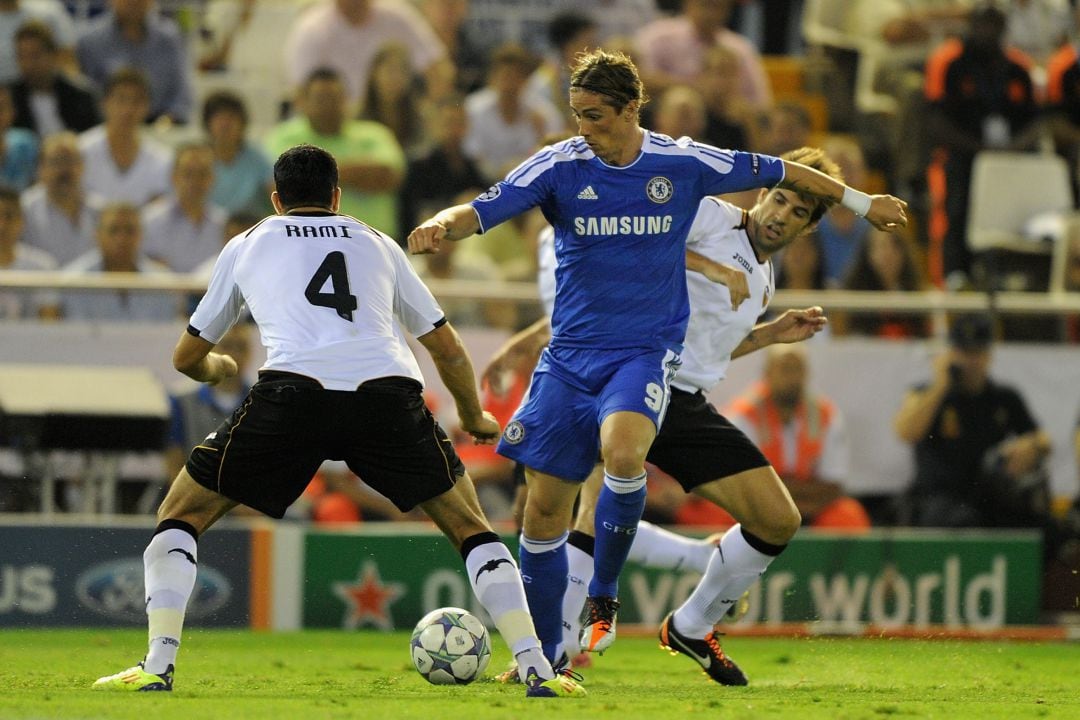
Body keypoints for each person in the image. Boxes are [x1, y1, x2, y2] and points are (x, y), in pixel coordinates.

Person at [408, 48, 908, 665]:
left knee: (763, 515)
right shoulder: (699, 205)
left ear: (629, 109)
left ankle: (669, 621)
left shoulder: (751, 262)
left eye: (594, 116)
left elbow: (713, 339)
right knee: (554, 506)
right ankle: (551, 650)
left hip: (669, 383)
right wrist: (442, 226)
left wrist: (769, 333)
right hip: (598, 361)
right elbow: (518, 217)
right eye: (577, 115)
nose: (583, 129)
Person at [91, 144, 584, 699]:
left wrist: (219, 366)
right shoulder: (378, 242)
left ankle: (158, 664)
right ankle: (537, 665)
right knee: (470, 526)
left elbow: (185, 357)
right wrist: (474, 415)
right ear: (337, 197)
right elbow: (445, 347)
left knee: (180, 514)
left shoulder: (249, 242)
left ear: (276, 200)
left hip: (292, 395)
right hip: (387, 395)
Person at [486, 145, 854, 684]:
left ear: (811, 226)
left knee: (778, 519)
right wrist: (712, 267)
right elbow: (635, 242)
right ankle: (548, 656)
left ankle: (691, 625)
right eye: (780, 199)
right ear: (762, 193)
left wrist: (772, 334)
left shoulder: (766, 278)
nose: (781, 216)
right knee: (569, 508)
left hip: (683, 402)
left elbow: (710, 350)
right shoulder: (711, 215)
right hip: (629, 372)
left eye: (799, 213)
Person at [893, 313, 1072, 558]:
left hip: (989, 495)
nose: (970, 361)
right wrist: (940, 386)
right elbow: (905, 431)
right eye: (963, 352)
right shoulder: (927, 394)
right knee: (963, 523)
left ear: (988, 355)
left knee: (1048, 529)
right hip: (939, 497)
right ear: (951, 353)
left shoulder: (1003, 397)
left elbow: (1042, 438)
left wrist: (1030, 447)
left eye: (976, 352)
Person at [725, 345, 871, 531]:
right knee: (715, 514)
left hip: (813, 507)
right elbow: (745, 487)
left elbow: (833, 486)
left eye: (798, 369)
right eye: (785, 368)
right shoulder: (743, 417)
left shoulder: (825, 415)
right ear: (767, 373)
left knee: (848, 515)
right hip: (756, 507)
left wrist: (794, 508)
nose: (792, 377)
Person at [265, 67, 406, 239]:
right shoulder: (282, 137)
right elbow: (275, 185)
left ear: (346, 99)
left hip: (375, 242)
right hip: (302, 242)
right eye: (321, 99)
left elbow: (389, 176)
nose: (329, 105)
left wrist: (309, 176)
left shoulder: (375, 134)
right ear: (303, 102)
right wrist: (358, 173)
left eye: (335, 98)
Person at [76, 0, 194, 124]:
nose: (134, 2)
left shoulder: (170, 38)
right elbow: (86, 98)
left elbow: (182, 95)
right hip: (106, 126)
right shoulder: (89, 41)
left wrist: (167, 121)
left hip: (162, 125)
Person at [61, 201, 177, 321]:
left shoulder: (164, 282)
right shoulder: (73, 280)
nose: (122, 239)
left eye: (129, 230)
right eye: (113, 230)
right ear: (97, 235)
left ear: (141, 235)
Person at [20, 131, 102, 266]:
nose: (64, 169)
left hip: (90, 286)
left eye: (71, 161)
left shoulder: (101, 211)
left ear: (82, 166)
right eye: (57, 161)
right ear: (41, 168)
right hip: (39, 285)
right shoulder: (23, 210)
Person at [10, 21, 100, 137]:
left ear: (53, 55)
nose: (28, 64)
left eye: (35, 56)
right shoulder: (10, 100)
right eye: (22, 56)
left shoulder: (81, 96)